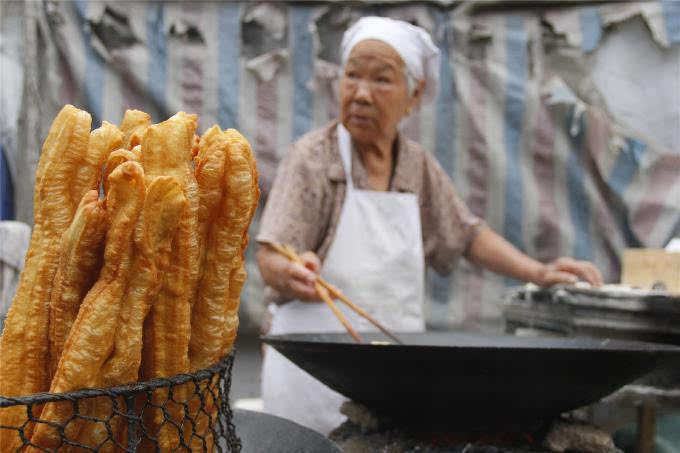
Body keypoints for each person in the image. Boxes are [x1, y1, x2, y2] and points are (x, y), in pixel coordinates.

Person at [255, 16, 603, 435]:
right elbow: (272, 253)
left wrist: (539, 272)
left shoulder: (417, 167)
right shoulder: (312, 157)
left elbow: (467, 234)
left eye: (381, 80)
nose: (361, 94)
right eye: (352, 76)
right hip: (313, 378)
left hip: (390, 374)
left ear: (415, 94)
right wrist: (291, 273)